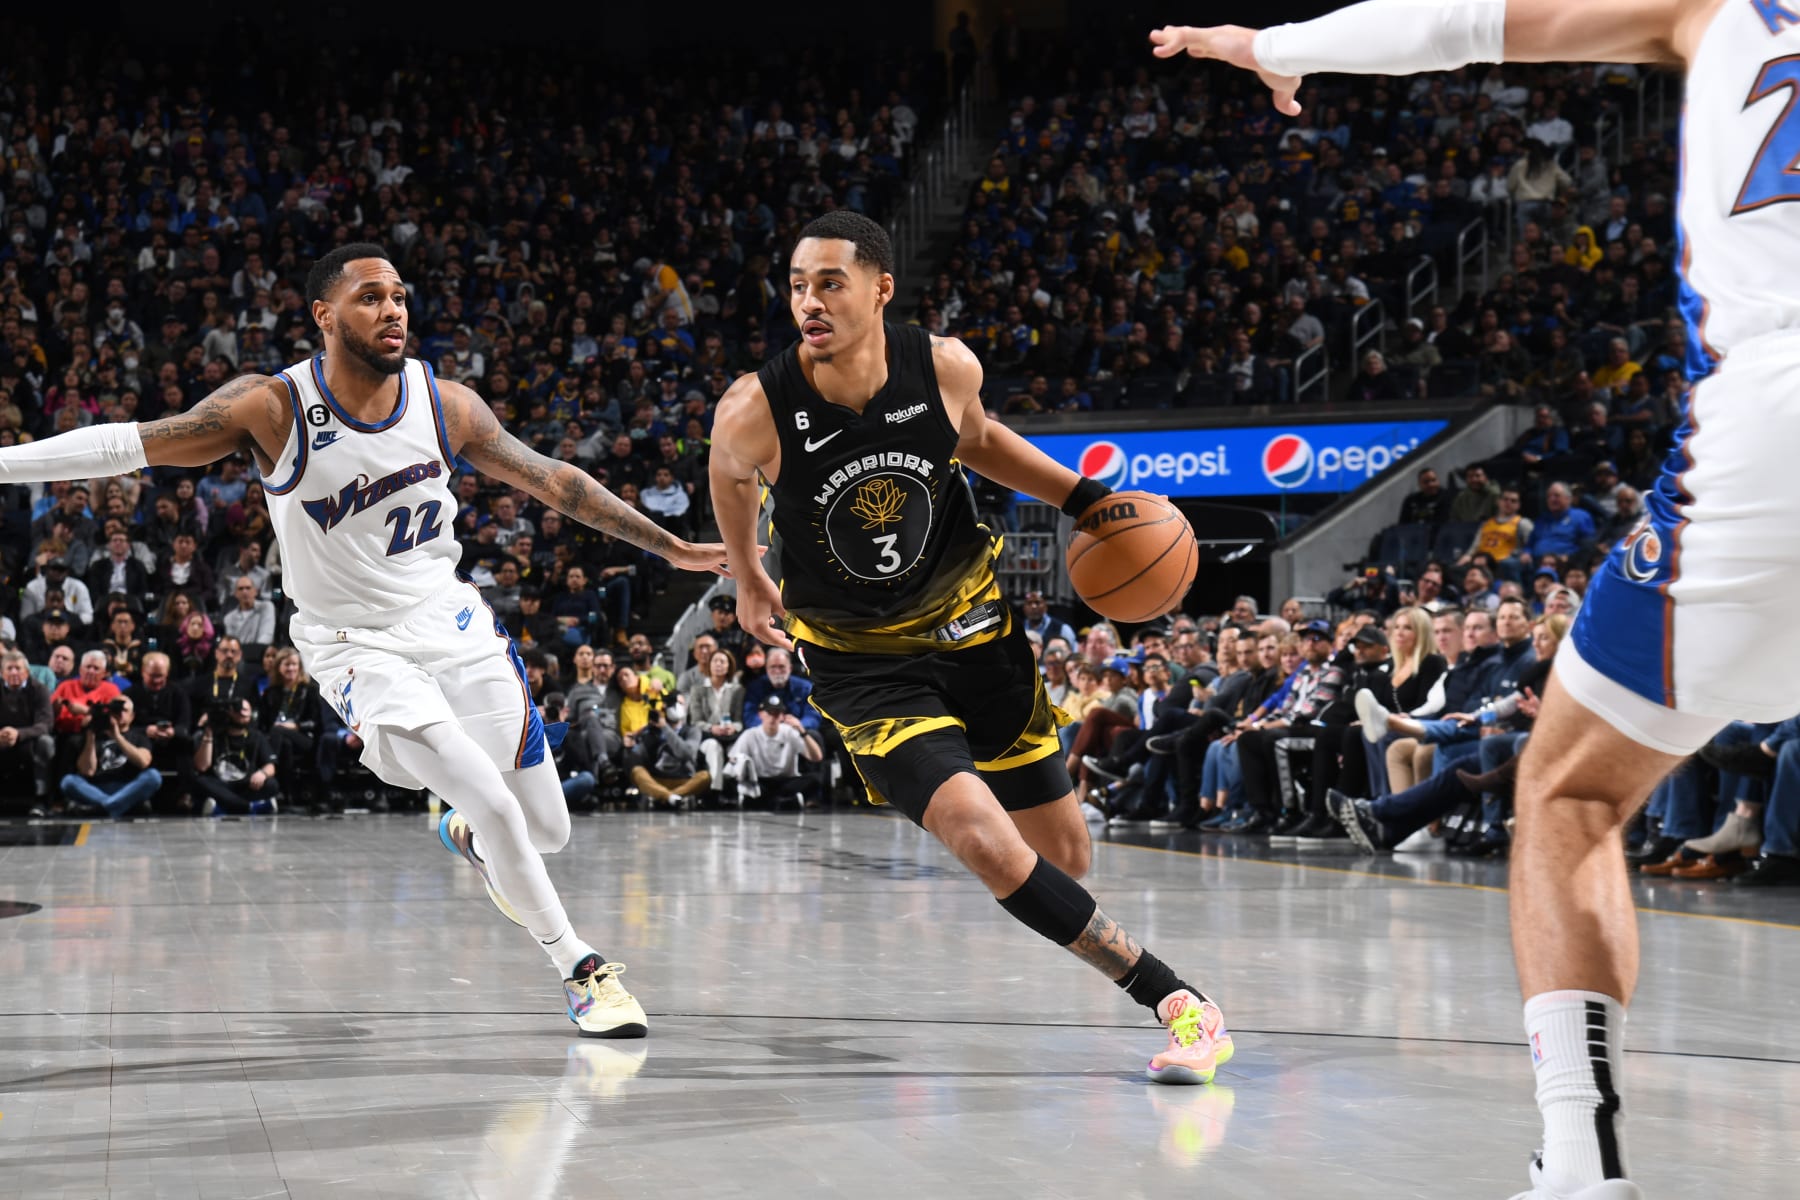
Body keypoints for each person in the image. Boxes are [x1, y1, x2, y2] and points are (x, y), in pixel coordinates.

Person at [1155, 4, 1760, 1195]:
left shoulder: (1723, 10)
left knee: (1571, 789)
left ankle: (1582, 1165)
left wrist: (1280, 47)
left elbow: (1460, 20)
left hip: (1768, 457)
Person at [0, 242, 729, 1039]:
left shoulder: (443, 402)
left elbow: (554, 479)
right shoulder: (271, 409)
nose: (393, 311)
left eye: (401, 297)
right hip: (356, 646)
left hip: (452, 627)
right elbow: (130, 443)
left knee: (540, 830)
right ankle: (581, 972)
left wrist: (672, 547)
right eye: (372, 298)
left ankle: (466, 836)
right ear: (324, 315)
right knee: (490, 801)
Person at [709, 211, 1232, 1083]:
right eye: (798, 285)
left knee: (1062, 860)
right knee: (983, 841)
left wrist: (1086, 500)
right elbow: (728, 476)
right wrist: (746, 572)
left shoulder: (943, 367)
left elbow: (981, 440)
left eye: (829, 282)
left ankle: (1011, 849)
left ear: (881, 288)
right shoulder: (757, 408)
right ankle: (1181, 1002)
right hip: (863, 664)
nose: (809, 301)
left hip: (974, 634)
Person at [60, 693, 160, 819]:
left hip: (128, 788)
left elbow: (143, 762)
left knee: (153, 776)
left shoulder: (139, 737)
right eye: (116, 710)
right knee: (68, 781)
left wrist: (117, 737)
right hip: (95, 789)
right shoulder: (94, 736)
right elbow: (88, 771)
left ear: (132, 716)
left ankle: (105, 807)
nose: (120, 714)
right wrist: (91, 734)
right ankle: (118, 806)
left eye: (125, 710)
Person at [724, 695, 823, 808]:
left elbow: (817, 757)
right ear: (761, 714)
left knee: (815, 779)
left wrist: (802, 731)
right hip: (760, 781)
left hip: (786, 781)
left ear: (782, 716)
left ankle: (778, 800)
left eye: (776, 714)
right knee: (744, 785)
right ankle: (782, 801)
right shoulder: (750, 734)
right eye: (769, 713)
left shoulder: (789, 733)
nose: (772, 718)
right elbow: (732, 760)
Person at [0, 650, 55, 806]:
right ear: (2, 673)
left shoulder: (39, 689)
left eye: (18, 668)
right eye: (9, 668)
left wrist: (18, 734)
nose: (14, 672)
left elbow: (45, 724)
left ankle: (41, 799)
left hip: (29, 740)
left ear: (27, 672)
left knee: (46, 742)